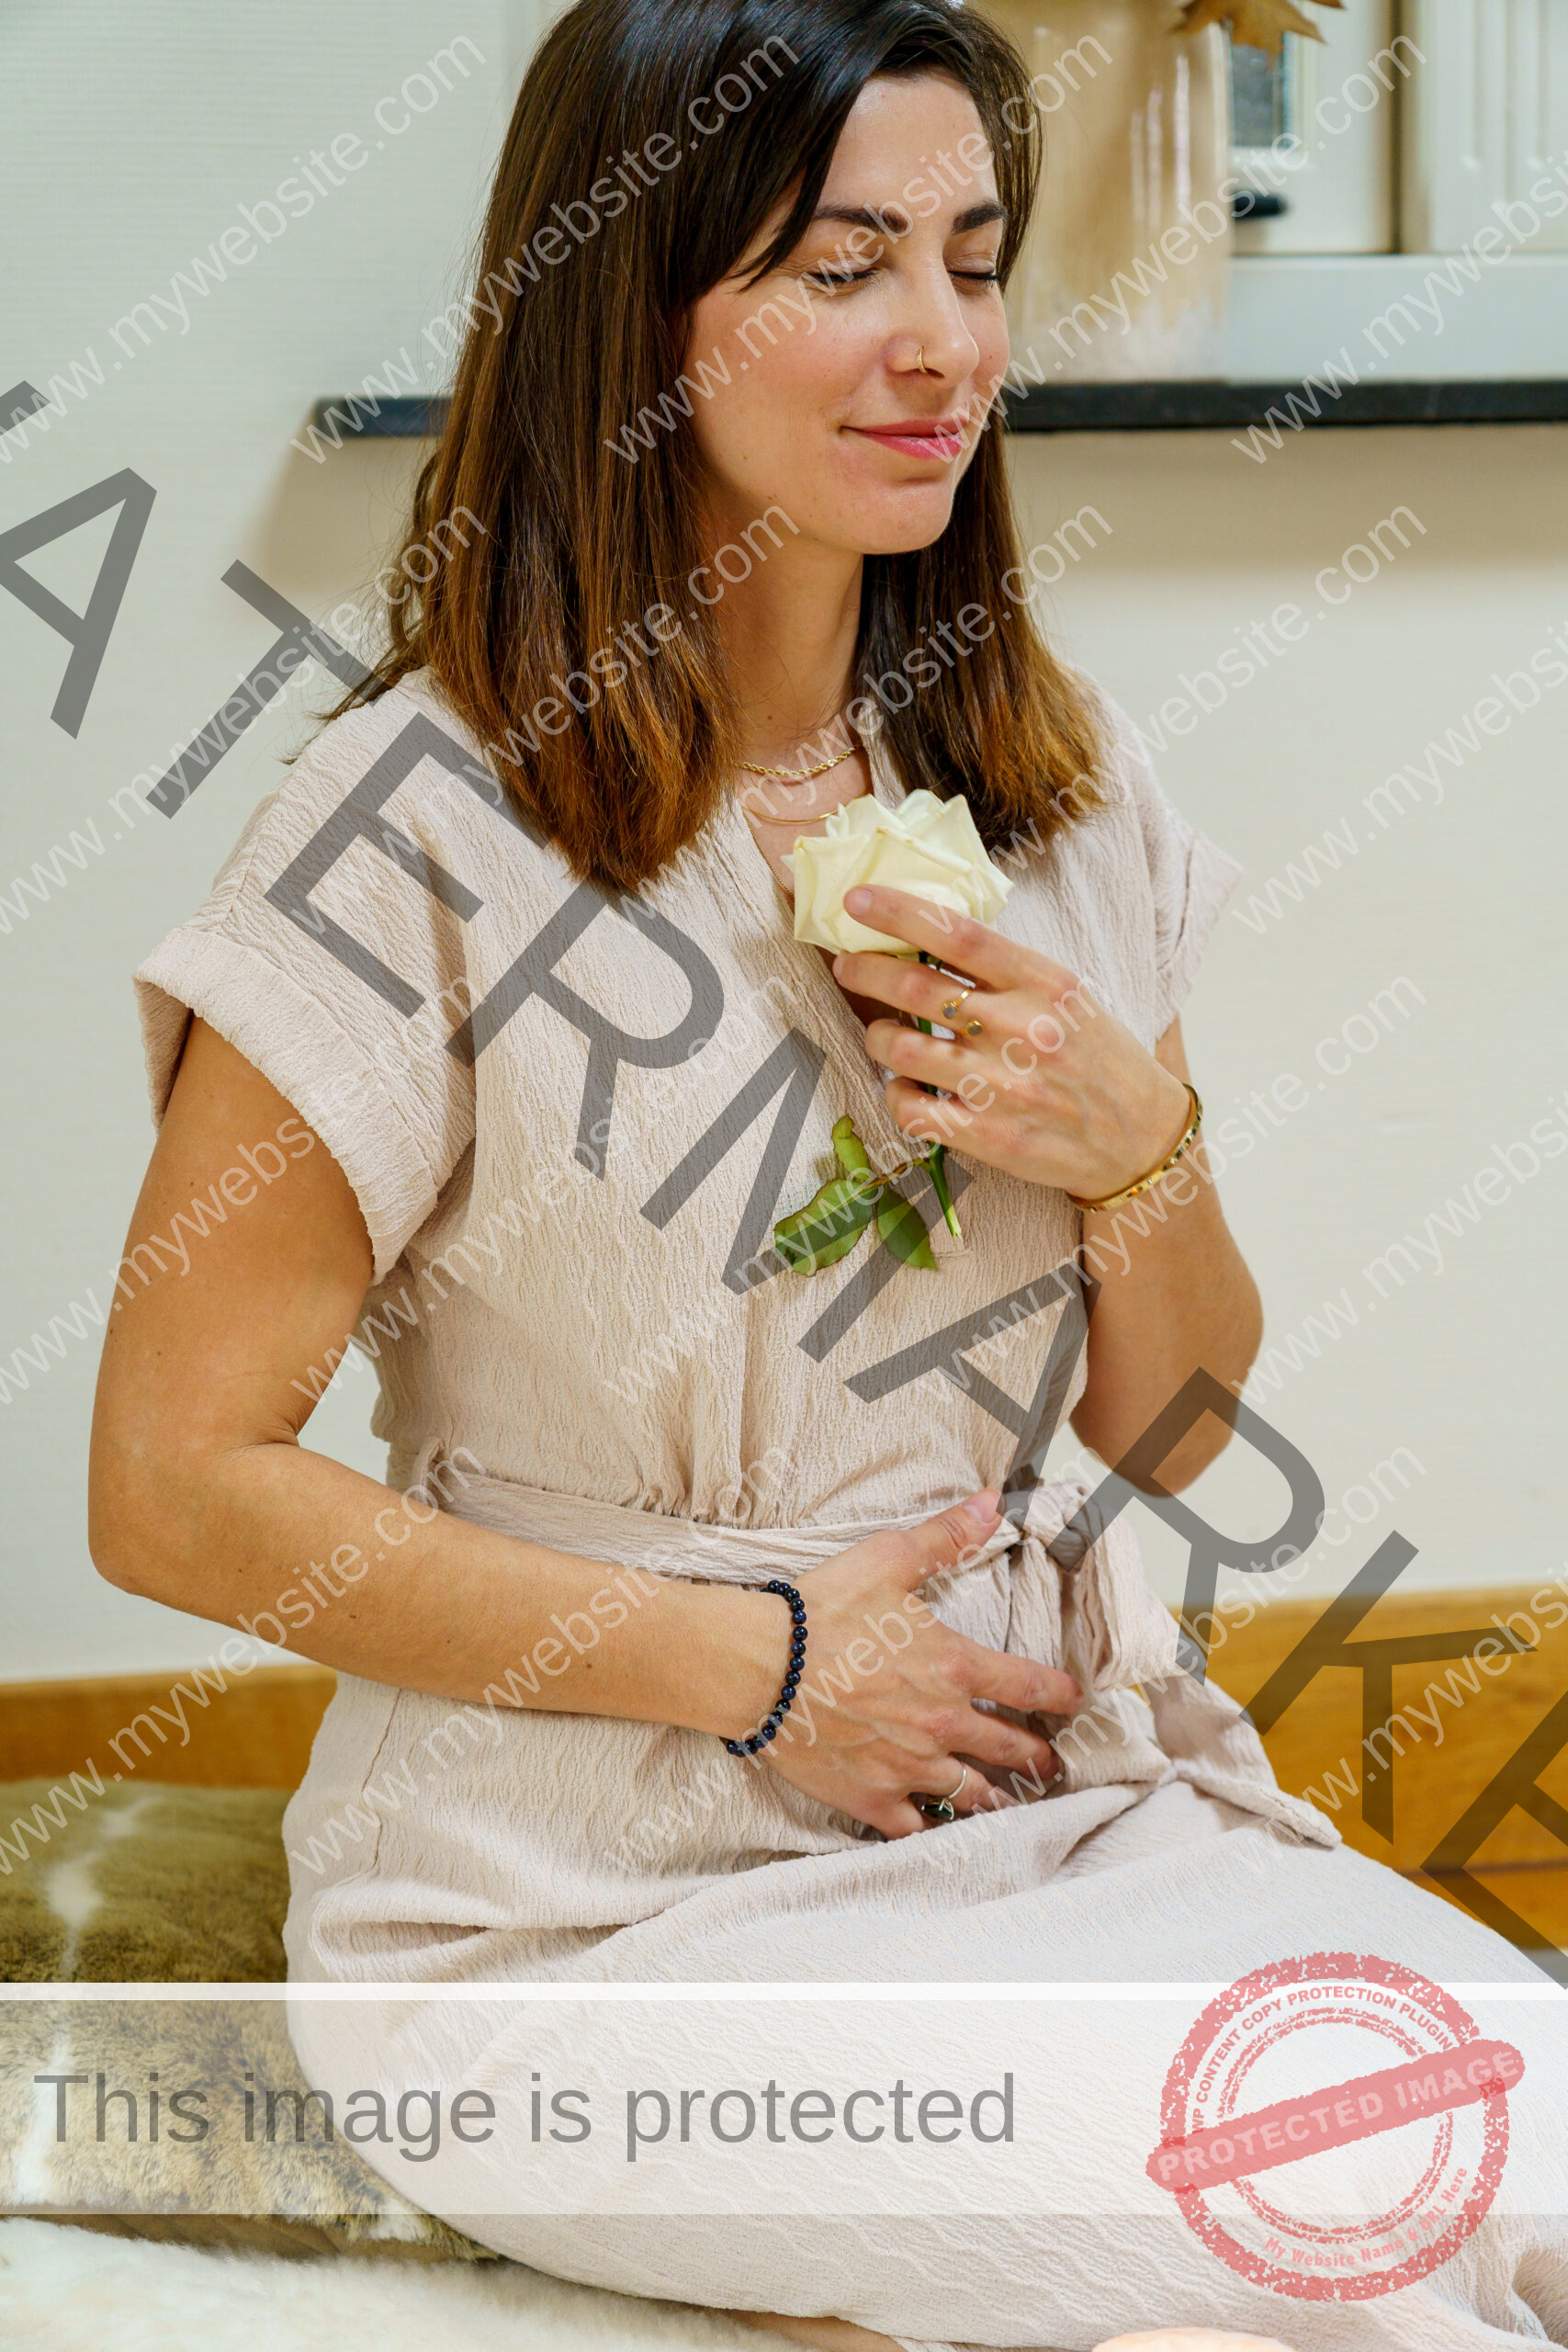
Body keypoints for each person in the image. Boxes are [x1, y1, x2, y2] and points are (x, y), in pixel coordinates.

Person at [89, 3, 1568, 2345]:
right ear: (630, 314)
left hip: (1047, 1826)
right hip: (568, 1923)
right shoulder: (409, 832)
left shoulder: (1042, 794)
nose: (940, 345)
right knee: (1354, 2233)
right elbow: (169, 1488)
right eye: (840, 264)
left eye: (973, 263)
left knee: (1537, 2156)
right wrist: (761, 1663)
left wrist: (1140, 1150)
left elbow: (1161, 1421)